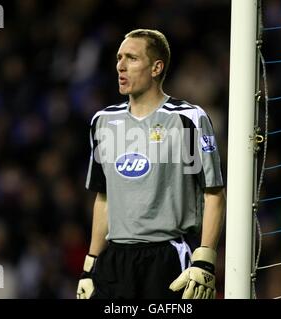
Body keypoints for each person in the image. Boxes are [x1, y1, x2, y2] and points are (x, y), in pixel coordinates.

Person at [76, 29, 225, 299]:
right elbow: (104, 198)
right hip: (115, 261)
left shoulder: (187, 119)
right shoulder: (103, 122)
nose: (120, 65)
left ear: (157, 67)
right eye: (119, 57)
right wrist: (90, 264)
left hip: (168, 257)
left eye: (131, 58)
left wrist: (204, 259)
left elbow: (213, 194)